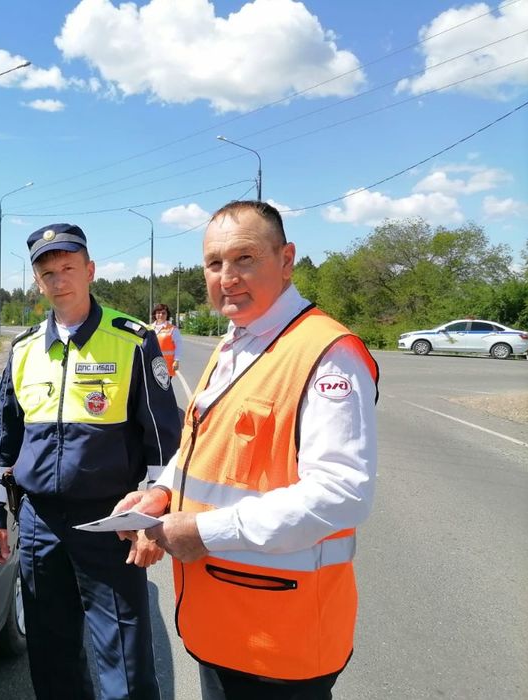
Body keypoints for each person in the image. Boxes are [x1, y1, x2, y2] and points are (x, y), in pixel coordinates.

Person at [115, 201, 378, 700]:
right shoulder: (235, 342)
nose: (227, 276)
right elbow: (201, 449)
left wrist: (205, 531)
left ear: (286, 260)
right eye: (214, 264)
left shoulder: (326, 354)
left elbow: (344, 493)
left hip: (280, 642)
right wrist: (160, 495)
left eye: (245, 258)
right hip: (222, 627)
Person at [0, 223, 182, 700]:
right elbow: (5, 435)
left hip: (109, 521)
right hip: (38, 522)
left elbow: (163, 439)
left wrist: (157, 516)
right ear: (37, 281)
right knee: (50, 654)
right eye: (47, 271)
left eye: (68, 267)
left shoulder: (132, 340)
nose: (58, 279)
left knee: (125, 660)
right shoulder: (25, 348)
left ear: (90, 270)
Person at [151, 303, 183, 378]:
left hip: (166, 365)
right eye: (158, 313)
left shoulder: (173, 329)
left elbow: (179, 346)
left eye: (163, 313)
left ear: (167, 315)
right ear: (155, 314)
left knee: (164, 388)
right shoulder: (149, 328)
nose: (161, 315)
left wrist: (176, 360)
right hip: (151, 363)